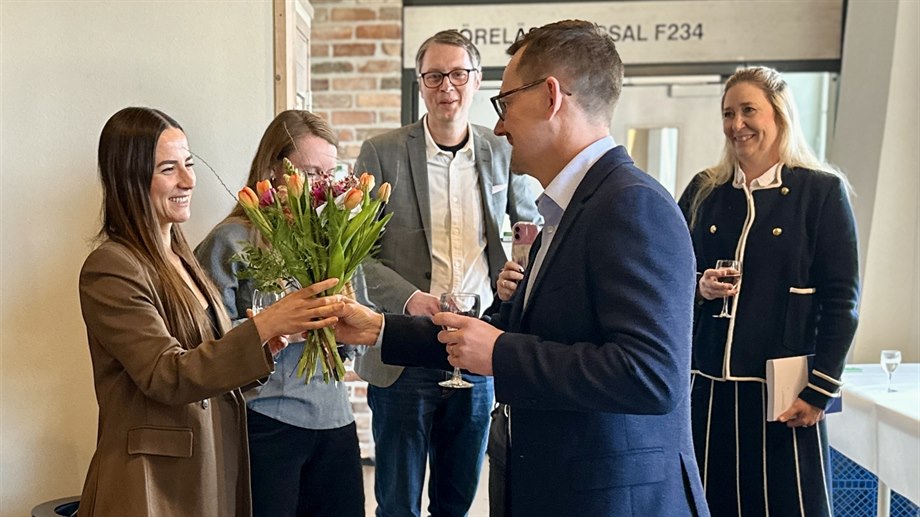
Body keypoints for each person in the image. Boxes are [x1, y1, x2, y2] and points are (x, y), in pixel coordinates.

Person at [337, 20, 709, 517]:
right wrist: (378, 329)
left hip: (609, 497)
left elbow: (651, 376)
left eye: (505, 103)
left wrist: (501, 353)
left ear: (551, 97)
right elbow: (507, 331)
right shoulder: (567, 208)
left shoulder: (631, 204)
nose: (500, 126)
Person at [77, 107, 344, 516]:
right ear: (129, 178)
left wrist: (270, 341)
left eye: (188, 164)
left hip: (209, 464)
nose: (188, 181)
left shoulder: (181, 257)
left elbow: (212, 358)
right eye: (168, 169)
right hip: (153, 481)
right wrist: (265, 325)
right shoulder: (112, 267)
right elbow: (165, 375)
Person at [352, 30, 540, 517]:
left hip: (477, 343)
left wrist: (514, 275)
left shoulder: (502, 150)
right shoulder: (381, 152)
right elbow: (356, 255)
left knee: (457, 501)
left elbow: (529, 230)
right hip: (405, 347)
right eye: (434, 76)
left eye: (458, 74)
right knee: (397, 503)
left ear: (477, 81)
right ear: (420, 83)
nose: (446, 86)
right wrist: (410, 298)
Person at [678, 66, 860, 516]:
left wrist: (820, 391)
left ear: (779, 114)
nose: (736, 124)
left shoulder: (821, 192)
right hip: (708, 389)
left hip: (785, 393)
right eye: (728, 113)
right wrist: (698, 287)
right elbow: (669, 274)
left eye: (748, 111)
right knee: (708, 504)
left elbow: (842, 301)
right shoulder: (704, 190)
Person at [195, 110, 366, 517]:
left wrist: (343, 327)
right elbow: (205, 342)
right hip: (266, 421)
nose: (322, 187)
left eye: (329, 174)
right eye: (310, 173)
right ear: (273, 170)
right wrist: (279, 326)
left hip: (335, 419)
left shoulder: (336, 241)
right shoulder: (231, 241)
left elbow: (357, 334)